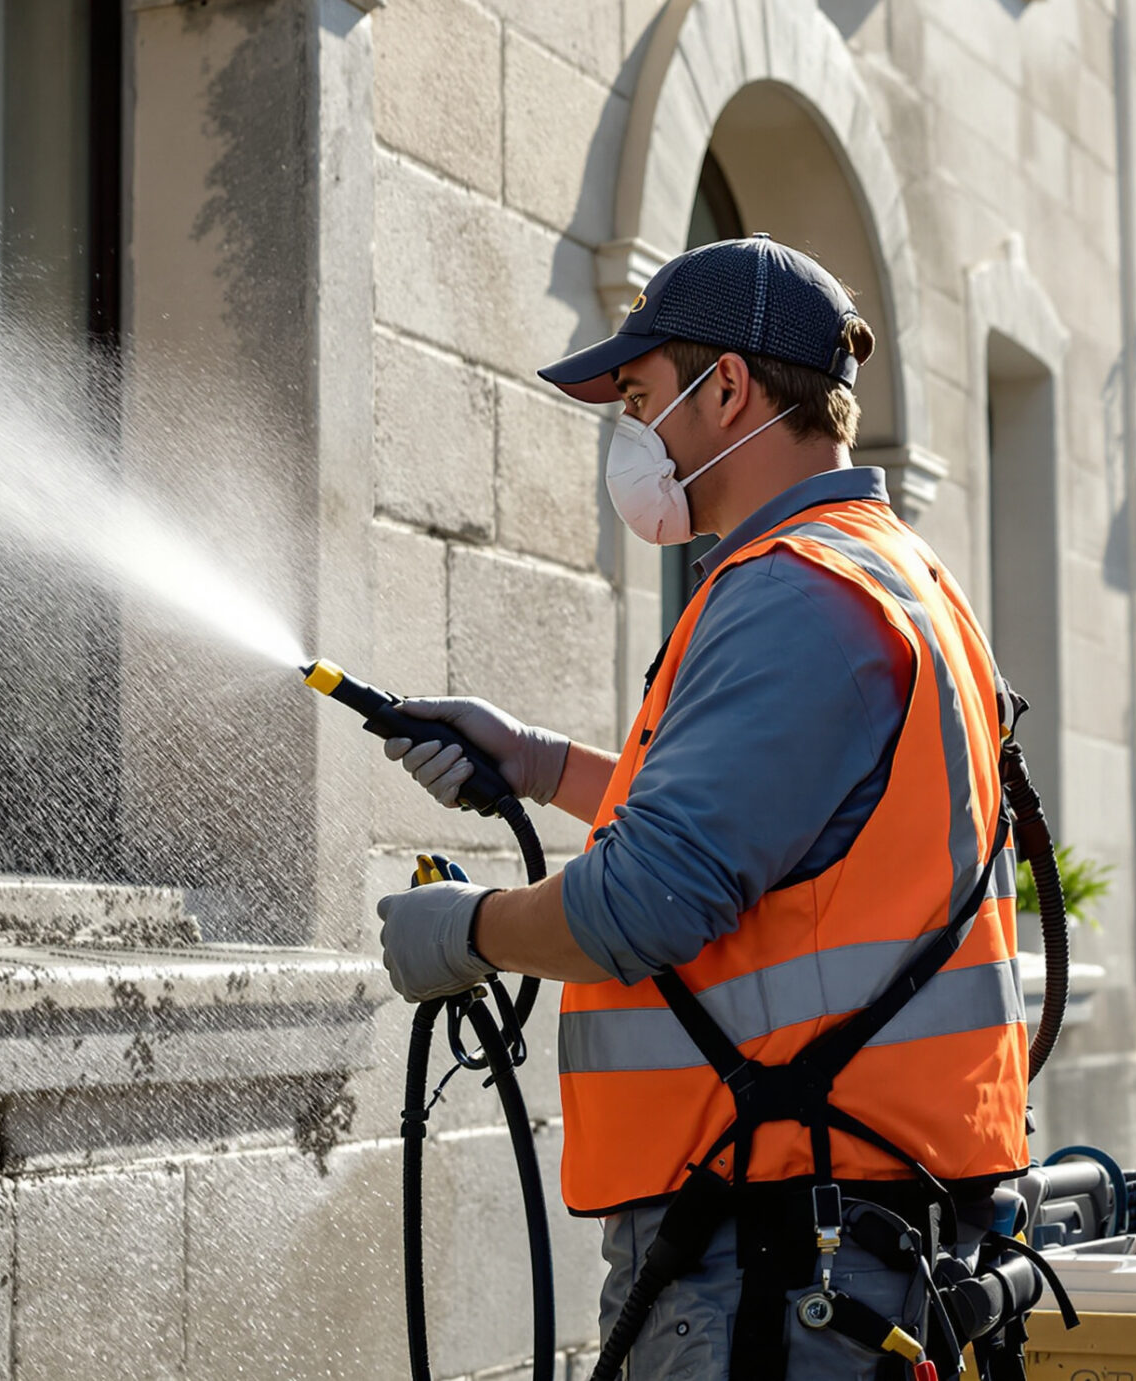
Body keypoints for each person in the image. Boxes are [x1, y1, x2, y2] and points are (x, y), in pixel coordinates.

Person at [374, 234, 1029, 1380]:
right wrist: (532, 761)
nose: (631, 435)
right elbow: (791, 845)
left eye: (637, 397)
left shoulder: (790, 593)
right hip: (825, 1233)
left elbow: (650, 900)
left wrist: (465, 931)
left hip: (770, 1254)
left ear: (724, 387)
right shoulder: (883, 571)